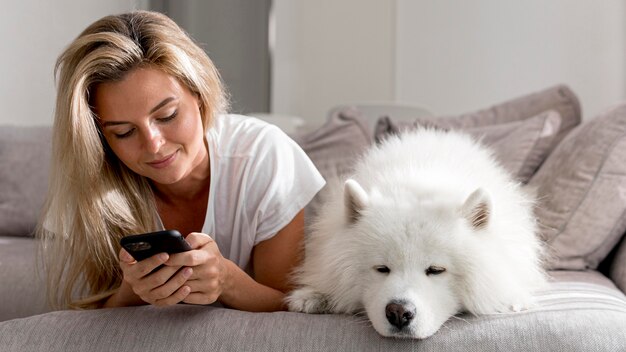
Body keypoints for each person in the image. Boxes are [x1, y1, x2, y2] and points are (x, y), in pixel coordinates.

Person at [37, 10, 324, 312]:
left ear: (199, 94)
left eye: (167, 116)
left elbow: (292, 310)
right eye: (124, 132)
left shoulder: (264, 157)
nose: (154, 145)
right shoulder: (95, 182)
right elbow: (92, 310)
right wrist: (132, 292)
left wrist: (227, 281)